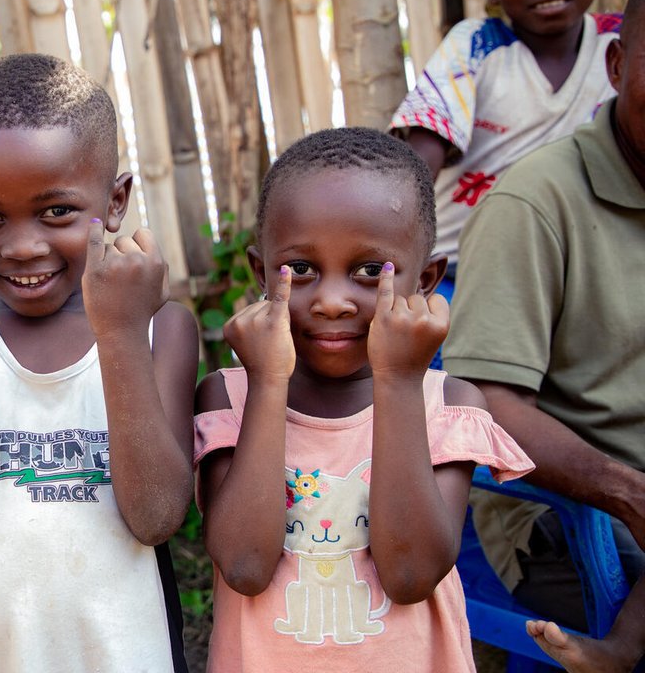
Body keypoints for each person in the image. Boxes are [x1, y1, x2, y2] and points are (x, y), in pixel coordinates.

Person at [0, 53, 199, 672]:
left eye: (56, 211)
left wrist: (118, 332)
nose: (24, 245)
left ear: (115, 203)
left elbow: (158, 515)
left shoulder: (159, 328)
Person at [194, 128, 533, 671]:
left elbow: (411, 575)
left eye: (371, 271)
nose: (331, 302)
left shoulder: (445, 404)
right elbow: (244, 565)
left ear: (426, 281)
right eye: (300, 270)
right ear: (261, 273)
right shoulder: (231, 396)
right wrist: (268, 383)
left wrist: (397, 381)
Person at [443, 0, 645, 673]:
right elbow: (483, 402)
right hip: (573, 507)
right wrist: (622, 488)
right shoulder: (534, 203)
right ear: (617, 67)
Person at [390, 0, 619, 295]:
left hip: (565, 269)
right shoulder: (476, 46)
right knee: (439, 355)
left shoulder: (619, 45)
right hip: (453, 268)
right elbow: (422, 155)